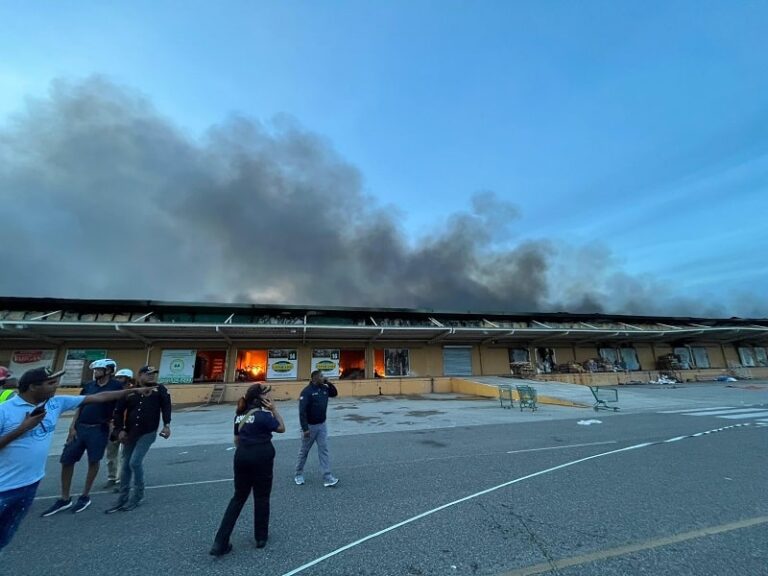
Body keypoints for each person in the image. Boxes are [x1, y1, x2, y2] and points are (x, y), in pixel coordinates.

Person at [0, 367, 139, 551]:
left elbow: (99, 397)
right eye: (51, 383)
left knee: (5, 536)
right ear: (33, 387)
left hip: (31, 483)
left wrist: (133, 391)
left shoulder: (56, 403)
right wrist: (24, 427)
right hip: (4, 487)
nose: (56, 386)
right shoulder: (5, 411)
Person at [41, 359, 124, 516]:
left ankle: (85, 496)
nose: (95, 372)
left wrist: (115, 427)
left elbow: (119, 408)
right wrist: (72, 427)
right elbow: (80, 405)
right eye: (95, 370)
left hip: (99, 429)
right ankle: (64, 498)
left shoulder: (116, 387)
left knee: (94, 461)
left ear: (108, 371)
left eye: (99, 369)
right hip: (80, 428)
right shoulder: (88, 386)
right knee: (67, 460)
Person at [210, 384, 285, 555]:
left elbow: (236, 440)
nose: (270, 395)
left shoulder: (239, 415)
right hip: (262, 456)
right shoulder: (263, 416)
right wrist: (274, 410)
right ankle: (260, 537)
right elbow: (281, 428)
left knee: (238, 498)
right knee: (262, 496)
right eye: (267, 394)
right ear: (261, 399)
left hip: (242, 456)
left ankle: (220, 541)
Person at [105, 365, 171, 513]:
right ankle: (123, 497)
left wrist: (166, 425)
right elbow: (118, 412)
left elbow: (166, 407)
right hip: (129, 432)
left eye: (153, 374)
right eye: (148, 374)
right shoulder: (130, 391)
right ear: (140, 375)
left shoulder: (160, 389)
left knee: (135, 462)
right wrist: (119, 430)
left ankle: (138, 495)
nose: (151, 377)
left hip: (148, 431)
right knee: (126, 464)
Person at [294, 370, 339, 487]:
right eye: (321, 376)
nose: (323, 377)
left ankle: (327, 477)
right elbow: (302, 412)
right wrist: (305, 429)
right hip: (310, 427)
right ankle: (298, 474)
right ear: (314, 378)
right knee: (304, 451)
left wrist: (328, 382)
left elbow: (334, 393)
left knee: (323, 450)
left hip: (322, 425)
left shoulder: (324, 388)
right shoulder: (307, 392)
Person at [104, 368, 134, 489]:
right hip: (113, 425)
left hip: (128, 426)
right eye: (117, 378)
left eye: (121, 378)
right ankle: (111, 477)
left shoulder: (132, 392)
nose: (118, 380)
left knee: (125, 454)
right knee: (111, 453)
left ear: (127, 379)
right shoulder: (112, 392)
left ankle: (121, 479)